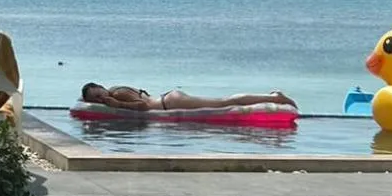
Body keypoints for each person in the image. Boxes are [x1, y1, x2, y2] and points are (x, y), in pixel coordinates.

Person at [80, 82, 297, 111]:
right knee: (224, 101)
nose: (100, 99)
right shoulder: (116, 89)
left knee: (225, 102)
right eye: (95, 100)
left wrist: (116, 104)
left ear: (102, 87)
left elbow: (142, 107)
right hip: (168, 99)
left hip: (169, 102)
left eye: (98, 94)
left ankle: (274, 98)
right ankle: (272, 98)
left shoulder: (117, 93)